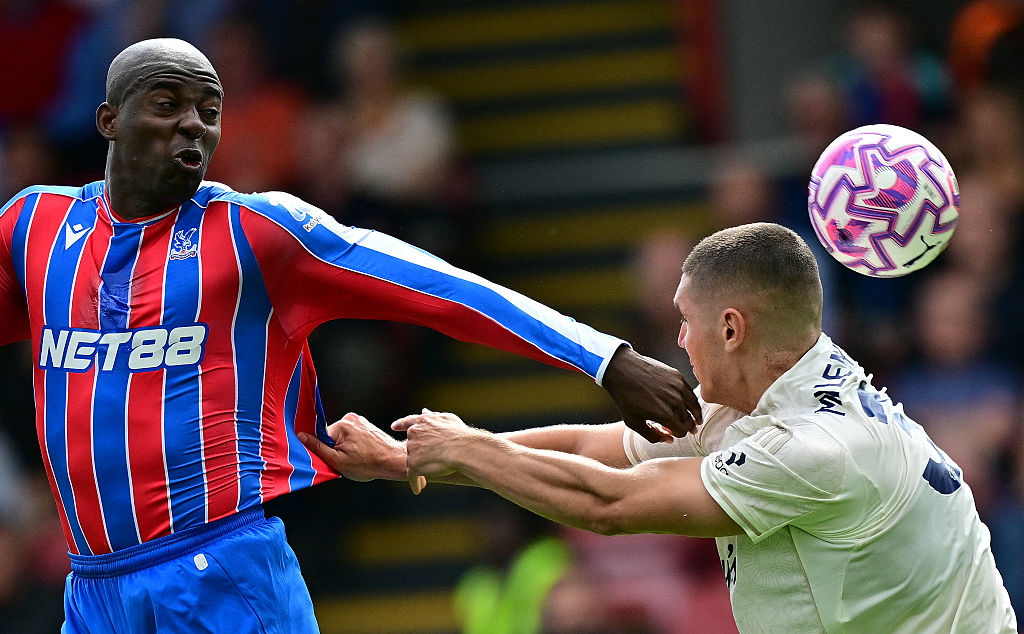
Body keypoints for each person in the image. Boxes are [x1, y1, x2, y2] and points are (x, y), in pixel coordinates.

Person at [0, 38, 702, 632]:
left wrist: (605, 358)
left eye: (209, 113)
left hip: (221, 573)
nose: (194, 127)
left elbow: (443, 288)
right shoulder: (32, 226)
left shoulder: (257, 232)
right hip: (93, 593)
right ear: (108, 120)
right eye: (168, 106)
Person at [308, 223, 1018, 632]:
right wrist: (415, 457)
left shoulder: (813, 448)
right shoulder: (779, 375)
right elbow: (601, 449)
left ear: (733, 329)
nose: (679, 338)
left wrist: (466, 448)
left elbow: (608, 506)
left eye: (688, 321)